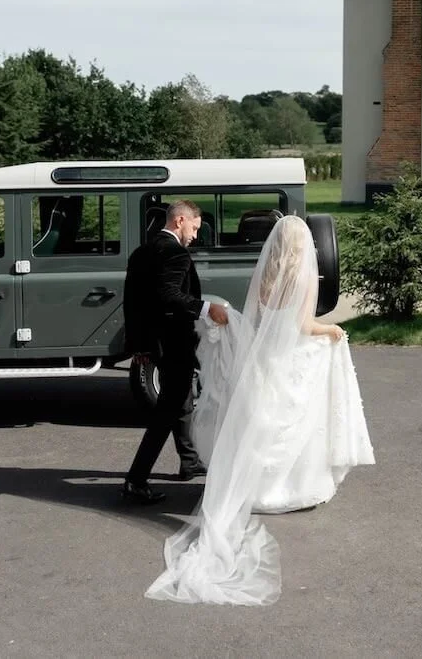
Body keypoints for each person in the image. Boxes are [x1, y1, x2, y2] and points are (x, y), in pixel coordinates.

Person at [145, 215, 374, 605]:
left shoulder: (267, 274)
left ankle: (258, 490)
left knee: (265, 422)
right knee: (296, 420)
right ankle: (289, 488)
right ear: (302, 247)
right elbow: (302, 326)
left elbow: (263, 320)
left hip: (263, 360)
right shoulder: (302, 277)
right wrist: (332, 330)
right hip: (287, 359)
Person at [121, 199, 230, 505]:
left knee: (180, 400)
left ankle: (190, 461)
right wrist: (208, 308)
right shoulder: (175, 253)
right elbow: (169, 295)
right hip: (174, 341)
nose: (195, 235)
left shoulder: (143, 251)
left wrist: (139, 345)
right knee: (168, 409)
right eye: (195, 227)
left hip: (156, 342)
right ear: (180, 221)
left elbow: (133, 301)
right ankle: (136, 480)